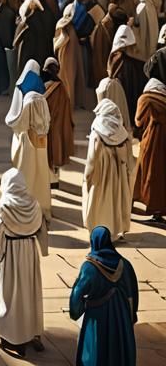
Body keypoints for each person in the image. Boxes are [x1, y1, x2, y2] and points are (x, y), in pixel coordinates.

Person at [0, 168, 48, 357]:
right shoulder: (34, 204)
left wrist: (1, 255)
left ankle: (12, 338)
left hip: (12, 255)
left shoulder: (5, 208)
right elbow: (42, 230)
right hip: (30, 254)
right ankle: (33, 333)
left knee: (12, 297)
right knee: (30, 294)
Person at [68, 226, 139, 366]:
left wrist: (76, 311)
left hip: (96, 316)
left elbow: (77, 294)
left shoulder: (89, 267)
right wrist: (130, 317)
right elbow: (132, 295)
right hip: (121, 316)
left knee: (95, 349)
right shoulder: (125, 264)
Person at [5, 59, 52, 219]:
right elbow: (47, 122)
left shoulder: (27, 96)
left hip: (27, 142)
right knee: (41, 175)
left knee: (27, 174)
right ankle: (42, 206)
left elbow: (21, 122)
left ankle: (26, 205)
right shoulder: (41, 98)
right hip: (42, 142)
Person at [82, 99, 133, 240]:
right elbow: (129, 162)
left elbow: (92, 160)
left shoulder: (97, 133)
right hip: (117, 176)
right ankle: (115, 231)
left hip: (100, 176)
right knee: (115, 200)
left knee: (99, 202)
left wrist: (87, 177)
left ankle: (99, 233)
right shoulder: (122, 134)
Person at [134, 77, 166, 220]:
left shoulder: (146, 99)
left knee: (149, 175)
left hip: (150, 141)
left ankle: (154, 211)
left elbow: (138, 121)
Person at [43, 57, 74, 182]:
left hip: (46, 126)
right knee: (56, 153)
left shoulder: (44, 87)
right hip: (59, 127)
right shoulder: (62, 88)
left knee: (47, 155)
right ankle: (55, 180)